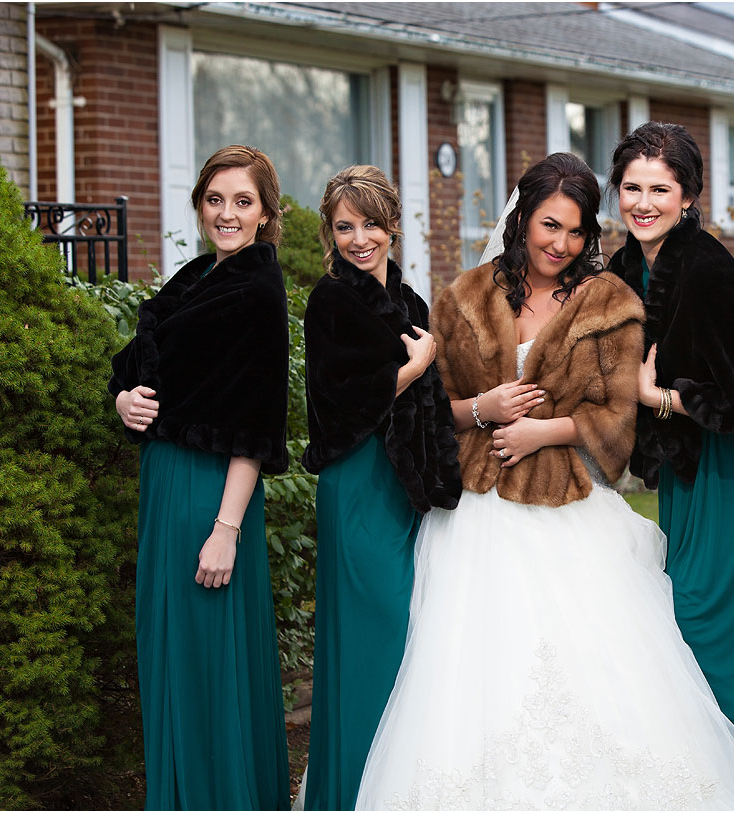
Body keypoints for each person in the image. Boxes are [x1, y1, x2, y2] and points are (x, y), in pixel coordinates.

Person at [354, 152, 734, 810]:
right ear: (521, 219)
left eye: (576, 232)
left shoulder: (606, 301)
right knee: (481, 666)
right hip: (482, 511)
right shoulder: (465, 297)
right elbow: (437, 408)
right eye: (550, 225)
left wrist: (543, 431)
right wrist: (487, 411)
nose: (561, 243)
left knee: (600, 664)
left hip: (572, 497)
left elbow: (616, 414)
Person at [604, 122, 734, 810]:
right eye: (632, 186)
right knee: (691, 634)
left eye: (659, 188)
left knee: (731, 641)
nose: (643, 201)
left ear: (688, 195)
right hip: (692, 476)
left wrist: (656, 396)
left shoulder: (710, 269)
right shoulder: (626, 267)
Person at [109, 145, 290, 810]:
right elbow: (136, 366)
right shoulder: (195, 278)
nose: (227, 212)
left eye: (243, 201)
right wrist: (123, 397)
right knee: (172, 657)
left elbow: (257, 425)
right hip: (165, 485)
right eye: (216, 199)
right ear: (199, 205)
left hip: (212, 495)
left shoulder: (257, 292)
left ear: (266, 212)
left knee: (209, 664)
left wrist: (226, 529)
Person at [299, 165, 462, 809]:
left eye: (370, 223)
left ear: (392, 224)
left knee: (406, 632)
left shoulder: (411, 302)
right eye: (344, 226)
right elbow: (335, 406)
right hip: (357, 477)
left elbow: (429, 410)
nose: (359, 238)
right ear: (329, 233)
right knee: (375, 628)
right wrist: (411, 366)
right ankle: (354, 790)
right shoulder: (330, 301)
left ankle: (394, 788)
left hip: (403, 488)